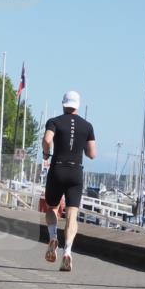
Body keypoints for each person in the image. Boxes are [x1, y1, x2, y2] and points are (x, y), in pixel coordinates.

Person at [41, 91, 97, 272]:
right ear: (78, 105)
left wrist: (45, 152)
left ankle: (52, 236)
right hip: (75, 172)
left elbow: (47, 139)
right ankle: (68, 251)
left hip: (57, 168)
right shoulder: (87, 126)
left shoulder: (54, 121)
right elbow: (92, 154)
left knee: (52, 207)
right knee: (72, 214)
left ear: (63, 104)